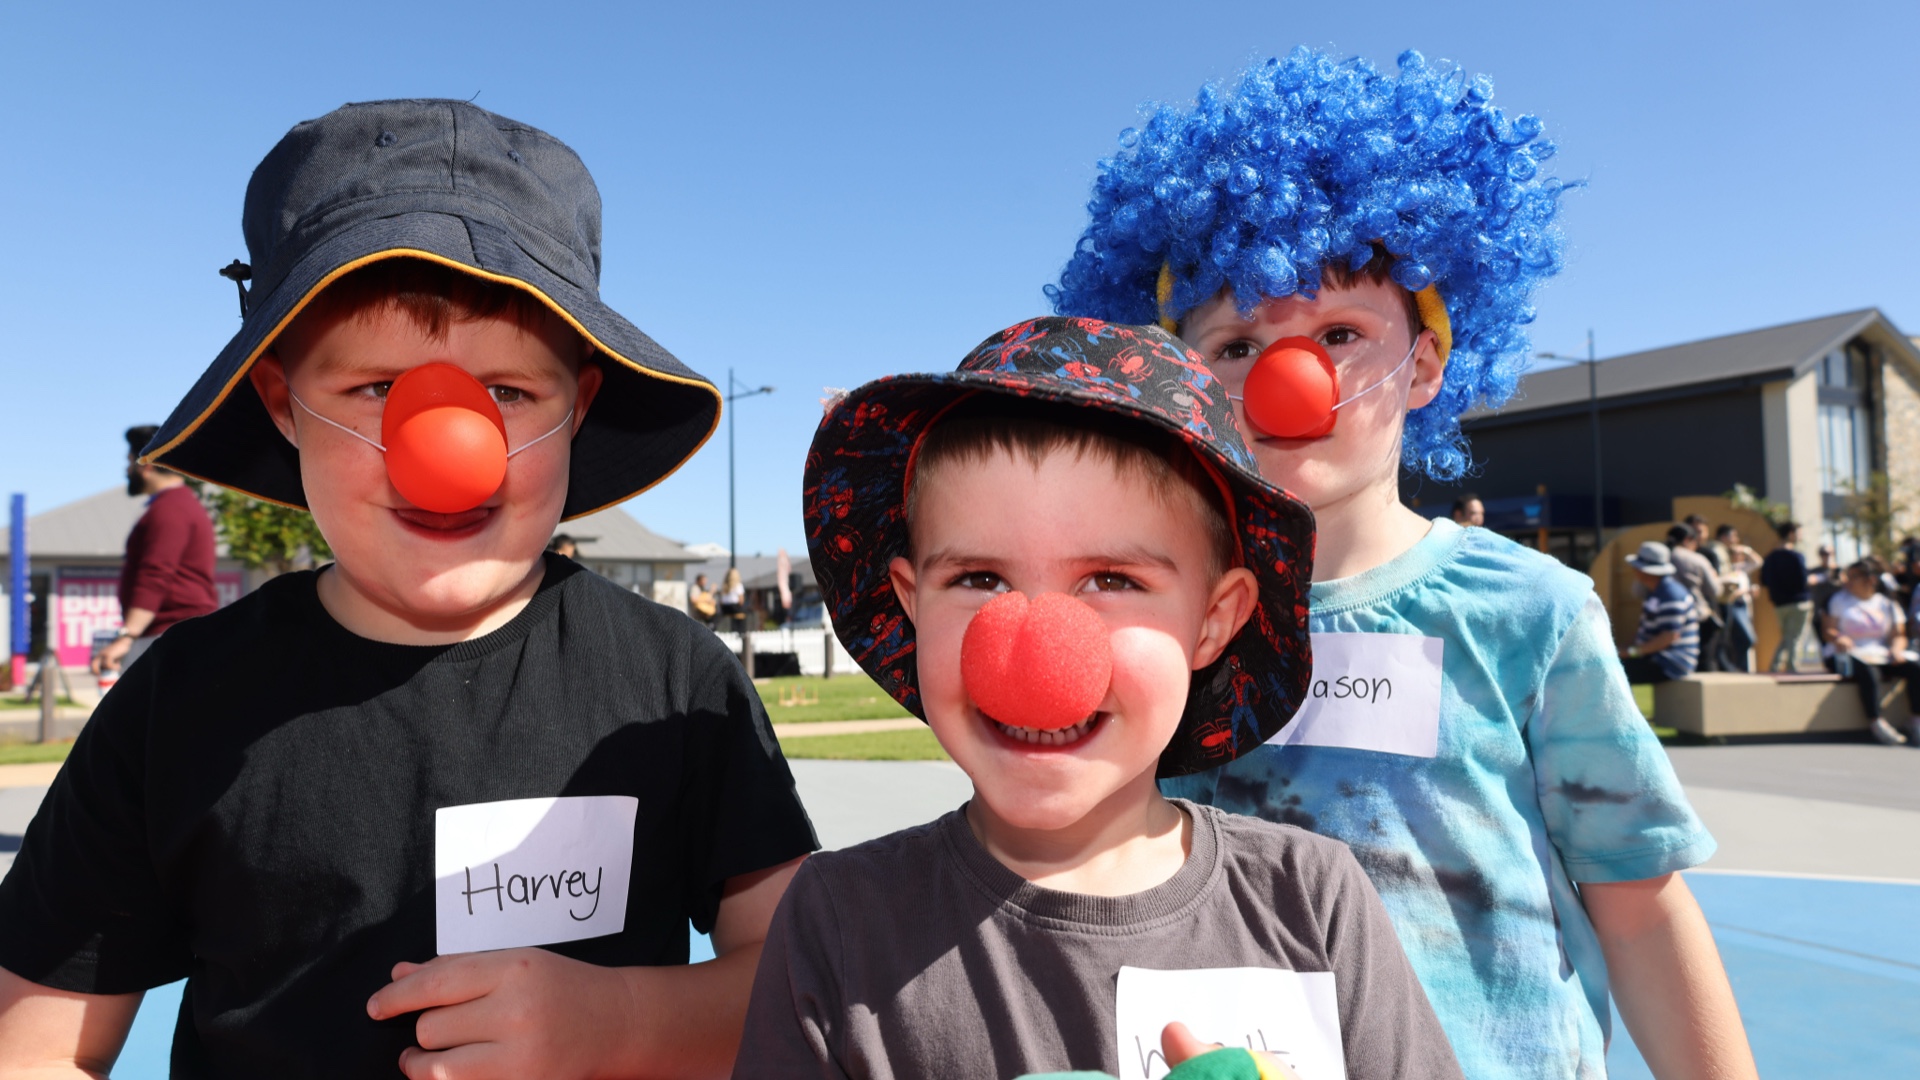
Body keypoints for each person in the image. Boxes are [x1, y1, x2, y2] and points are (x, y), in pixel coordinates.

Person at [0, 100, 817, 1078]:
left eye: (508, 393)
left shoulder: (676, 681)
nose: (446, 454)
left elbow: (803, 981)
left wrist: (625, 1021)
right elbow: (40, 1046)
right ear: (282, 402)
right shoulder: (177, 705)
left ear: (578, 406)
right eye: (379, 389)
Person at [1049, 48, 1754, 1080]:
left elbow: (1639, 907)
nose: (1291, 377)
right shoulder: (1151, 624)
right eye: (1238, 344)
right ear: (1179, 378)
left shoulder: (1529, 612)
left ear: (1425, 365)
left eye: (1340, 332)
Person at [741, 318, 1461, 1079]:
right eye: (979, 579)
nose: (1036, 651)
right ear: (912, 602)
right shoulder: (839, 920)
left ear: (1215, 621)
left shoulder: (1313, 900)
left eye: (1113, 581)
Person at [89, 425, 220, 677]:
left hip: (169, 637)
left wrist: (127, 636)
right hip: (175, 635)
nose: (126, 471)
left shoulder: (170, 510)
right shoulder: (179, 505)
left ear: (146, 467)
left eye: (130, 462)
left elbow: (155, 574)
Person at [1821, 560, 1920, 746]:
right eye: (1846, 576)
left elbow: (1898, 635)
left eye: (1853, 577)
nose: (1847, 581)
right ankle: (1876, 721)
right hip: (1849, 654)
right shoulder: (1839, 600)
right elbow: (1828, 631)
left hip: (1880, 654)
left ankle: (1916, 720)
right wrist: (1839, 637)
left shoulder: (1887, 604)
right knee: (1868, 672)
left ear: (1871, 580)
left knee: (1915, 668)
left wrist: (1896, 650)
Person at [1618, 542, 1702, 685]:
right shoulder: (1658, 592)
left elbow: (1668, 636)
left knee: (1612, 673)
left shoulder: (1670, 595)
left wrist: (1630, 652)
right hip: (1659, 657)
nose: (1634, 570)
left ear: (1645, 571)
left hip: (1671, 662)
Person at [1667, 523, 1725, 671]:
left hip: (1667, 616)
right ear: (1688, 539)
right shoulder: (1697, 559)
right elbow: (1715, 590)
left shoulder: (1661, 558)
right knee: (1705, 661)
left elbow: (1638, 590)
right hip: (1697, 614)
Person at [1760, 520, 1816, 672]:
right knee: (1794, 637)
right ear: (1791, 534)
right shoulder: (1796, 556)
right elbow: (1803, 580)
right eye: (1799, 533)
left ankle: (1775, 667)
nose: (1800, 536)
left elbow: (1764, 581)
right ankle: (1793, 669)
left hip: (1779, 604)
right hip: (1799, 602)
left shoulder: (1770, 557)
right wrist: (1814, 579)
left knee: (1788, 637)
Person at [1713, 524, 1761, 673]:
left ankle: (1740, 667)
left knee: (1743, 639)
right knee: (1746, 638)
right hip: (1733, 605)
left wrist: (1746, 550)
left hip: (1743, 606)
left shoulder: (1739, 568)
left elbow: (1758, 562)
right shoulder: (1723, 561)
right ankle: (1736, 667)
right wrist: (1744, 592)